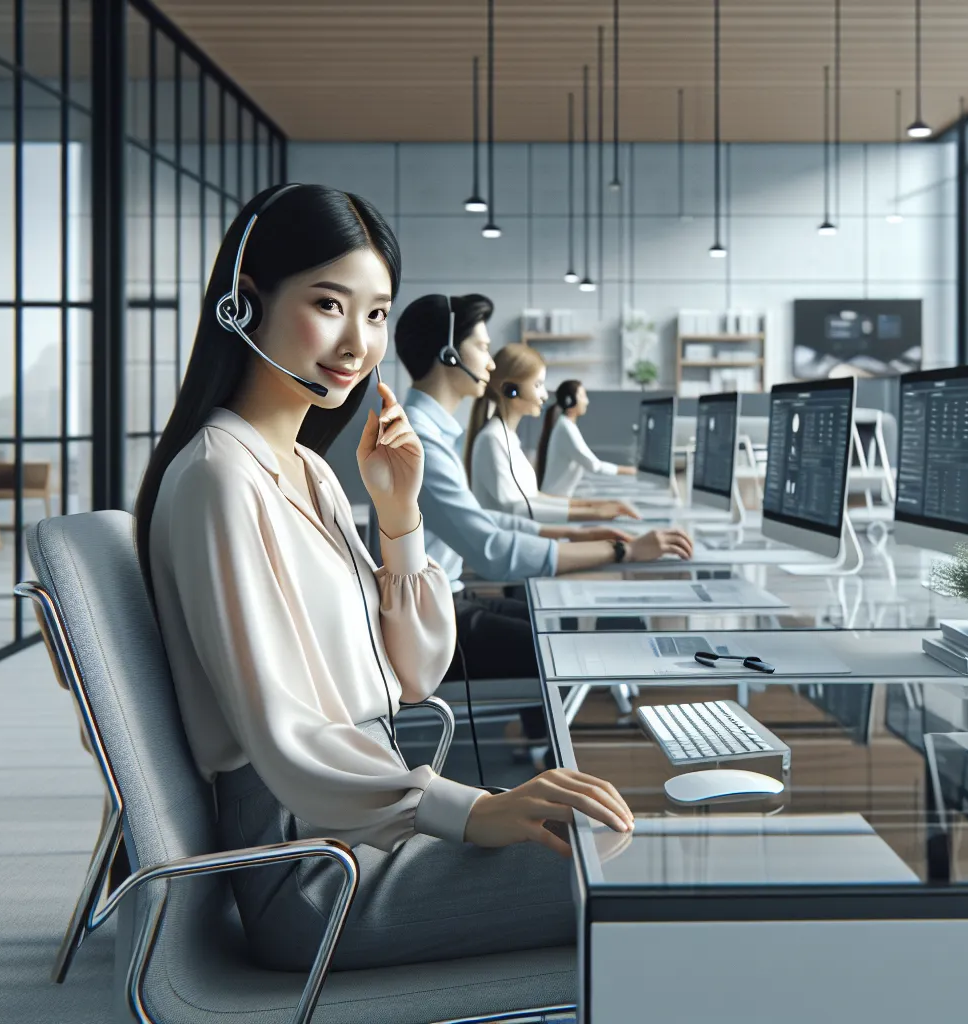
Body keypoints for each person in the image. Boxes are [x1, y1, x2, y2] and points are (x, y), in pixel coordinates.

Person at [133, 183, 632, 973]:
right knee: (623, 870)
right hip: (312, 871)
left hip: (359, 814)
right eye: (329, 304)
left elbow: (412, 674)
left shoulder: (306, 470)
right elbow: (282, 732)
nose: (357, 344)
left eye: (374, 314)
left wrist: (398, 518)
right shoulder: (219, 480)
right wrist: (471, 810)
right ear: (243, 302)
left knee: (612, 836)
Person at [395, 293, 693, 679]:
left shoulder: (430, 432)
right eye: (483, 348)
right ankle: (544, 737)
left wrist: (575, 534)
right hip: (430, 624)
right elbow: (492, 550)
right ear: (449, 354)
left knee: (555, 622)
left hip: (444, 602)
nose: (489, 361)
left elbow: (483, 519)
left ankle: (542, 736)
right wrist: (623, 550)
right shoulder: (419, 440)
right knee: (568, 648)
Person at [466, 342, 640, 522]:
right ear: (510, 390)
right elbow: (518, 510)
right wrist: (593, 513)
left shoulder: (508, 437)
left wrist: (596, 505)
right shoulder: (493, 439)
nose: (545, 395)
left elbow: (532, 497)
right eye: (538, 384)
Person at [536, 380, 635, 496]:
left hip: (557, 499)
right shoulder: (566, 428)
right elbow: (594, 466)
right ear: (570, 401)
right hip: (554, 502)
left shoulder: (565, 425)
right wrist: (631, 471)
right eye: (583, 396)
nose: (586, 402)